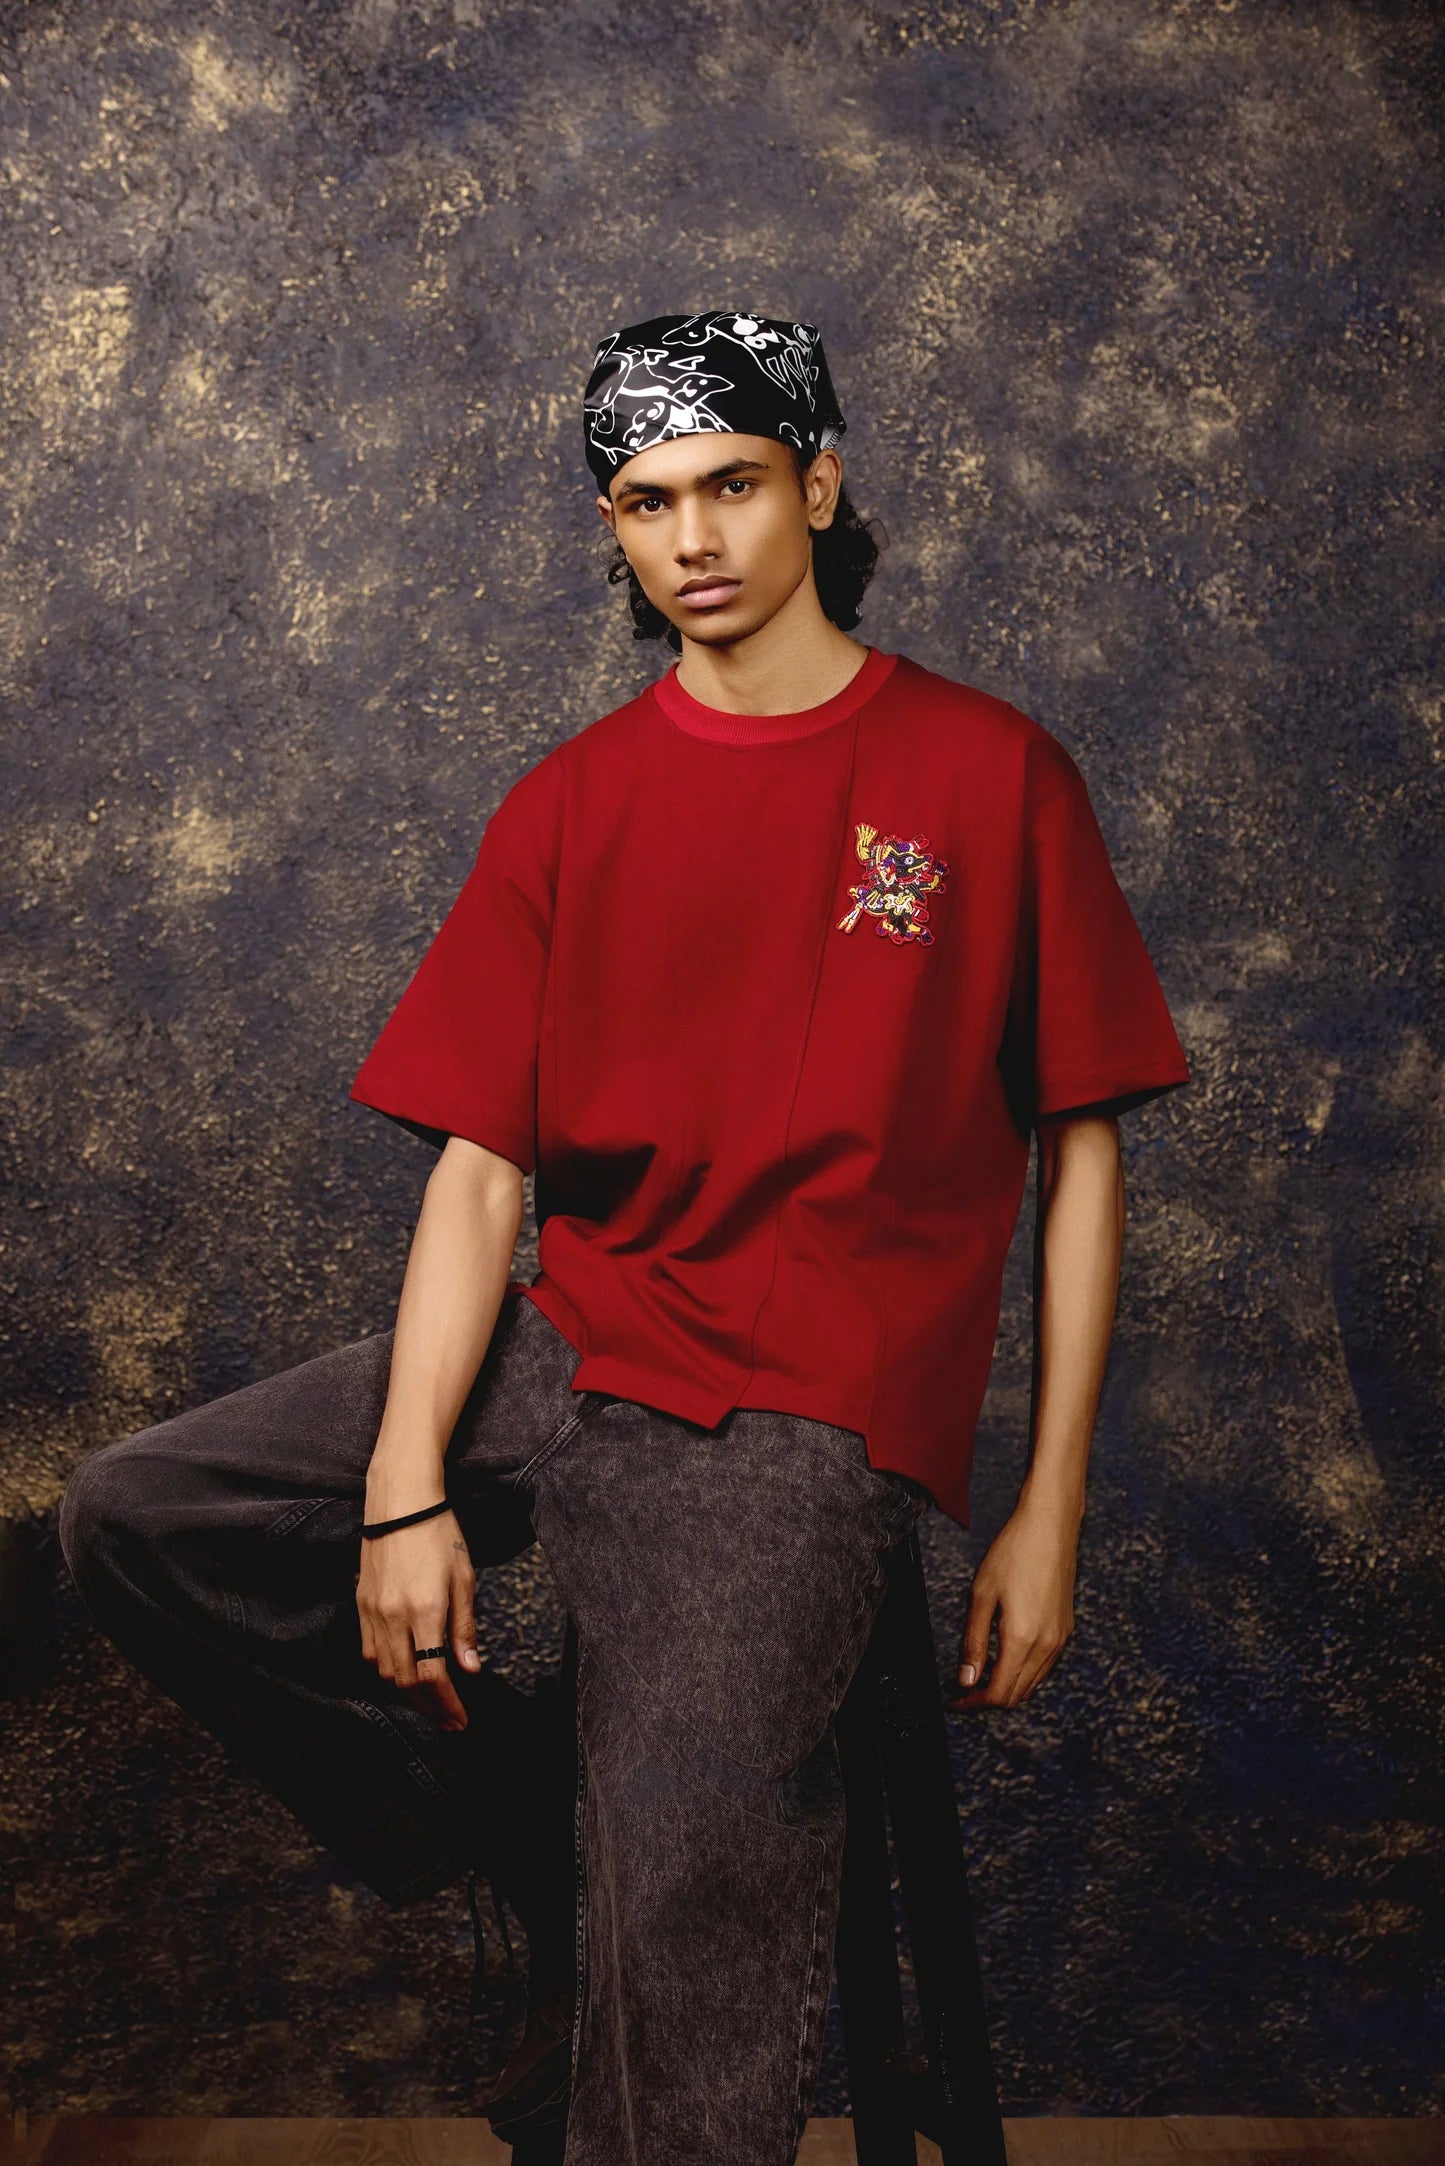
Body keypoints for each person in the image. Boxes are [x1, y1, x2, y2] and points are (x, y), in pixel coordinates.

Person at [58, 307, 1191, 2165]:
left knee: (686, 1927)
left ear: (816, 486)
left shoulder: (988, 774)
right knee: (141, 1515)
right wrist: (404, 1483)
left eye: (731, 485)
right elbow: (478, 1174)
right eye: (646, 501)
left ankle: (626, 1903)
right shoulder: (569, 803)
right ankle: (527, 1829)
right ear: (612, 526)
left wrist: (1048, 1498)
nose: (693, 538)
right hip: (577, 1334)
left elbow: (1080, 1152)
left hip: (802, 1406)